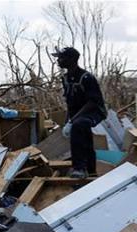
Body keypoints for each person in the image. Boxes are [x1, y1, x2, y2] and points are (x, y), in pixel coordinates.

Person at [53, 47, 106, 179]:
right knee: (84, 137)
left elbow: (93, 102)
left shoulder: (86, 77)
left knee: (79, 125)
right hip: (78, 115)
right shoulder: (66, 78)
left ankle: (79, 168)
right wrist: (67, 121)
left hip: (93, 112)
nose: (58, 61)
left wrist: (72, 121)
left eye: (61, 58)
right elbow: (70, 103)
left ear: (71, 59)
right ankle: (91, 171)